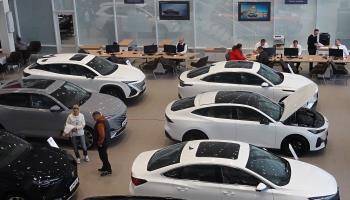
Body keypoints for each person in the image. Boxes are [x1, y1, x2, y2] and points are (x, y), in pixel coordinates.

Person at [92, 111, 112, 176]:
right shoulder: (104, 119)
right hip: (107, 141)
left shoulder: (100, 123)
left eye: (93, 117)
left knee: (103, 157)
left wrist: (99, 143)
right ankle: (104, 167)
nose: (93, 119)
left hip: (102, 144)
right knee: (103, 156)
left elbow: (102, 135)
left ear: (96, 116)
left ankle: (108, 170)